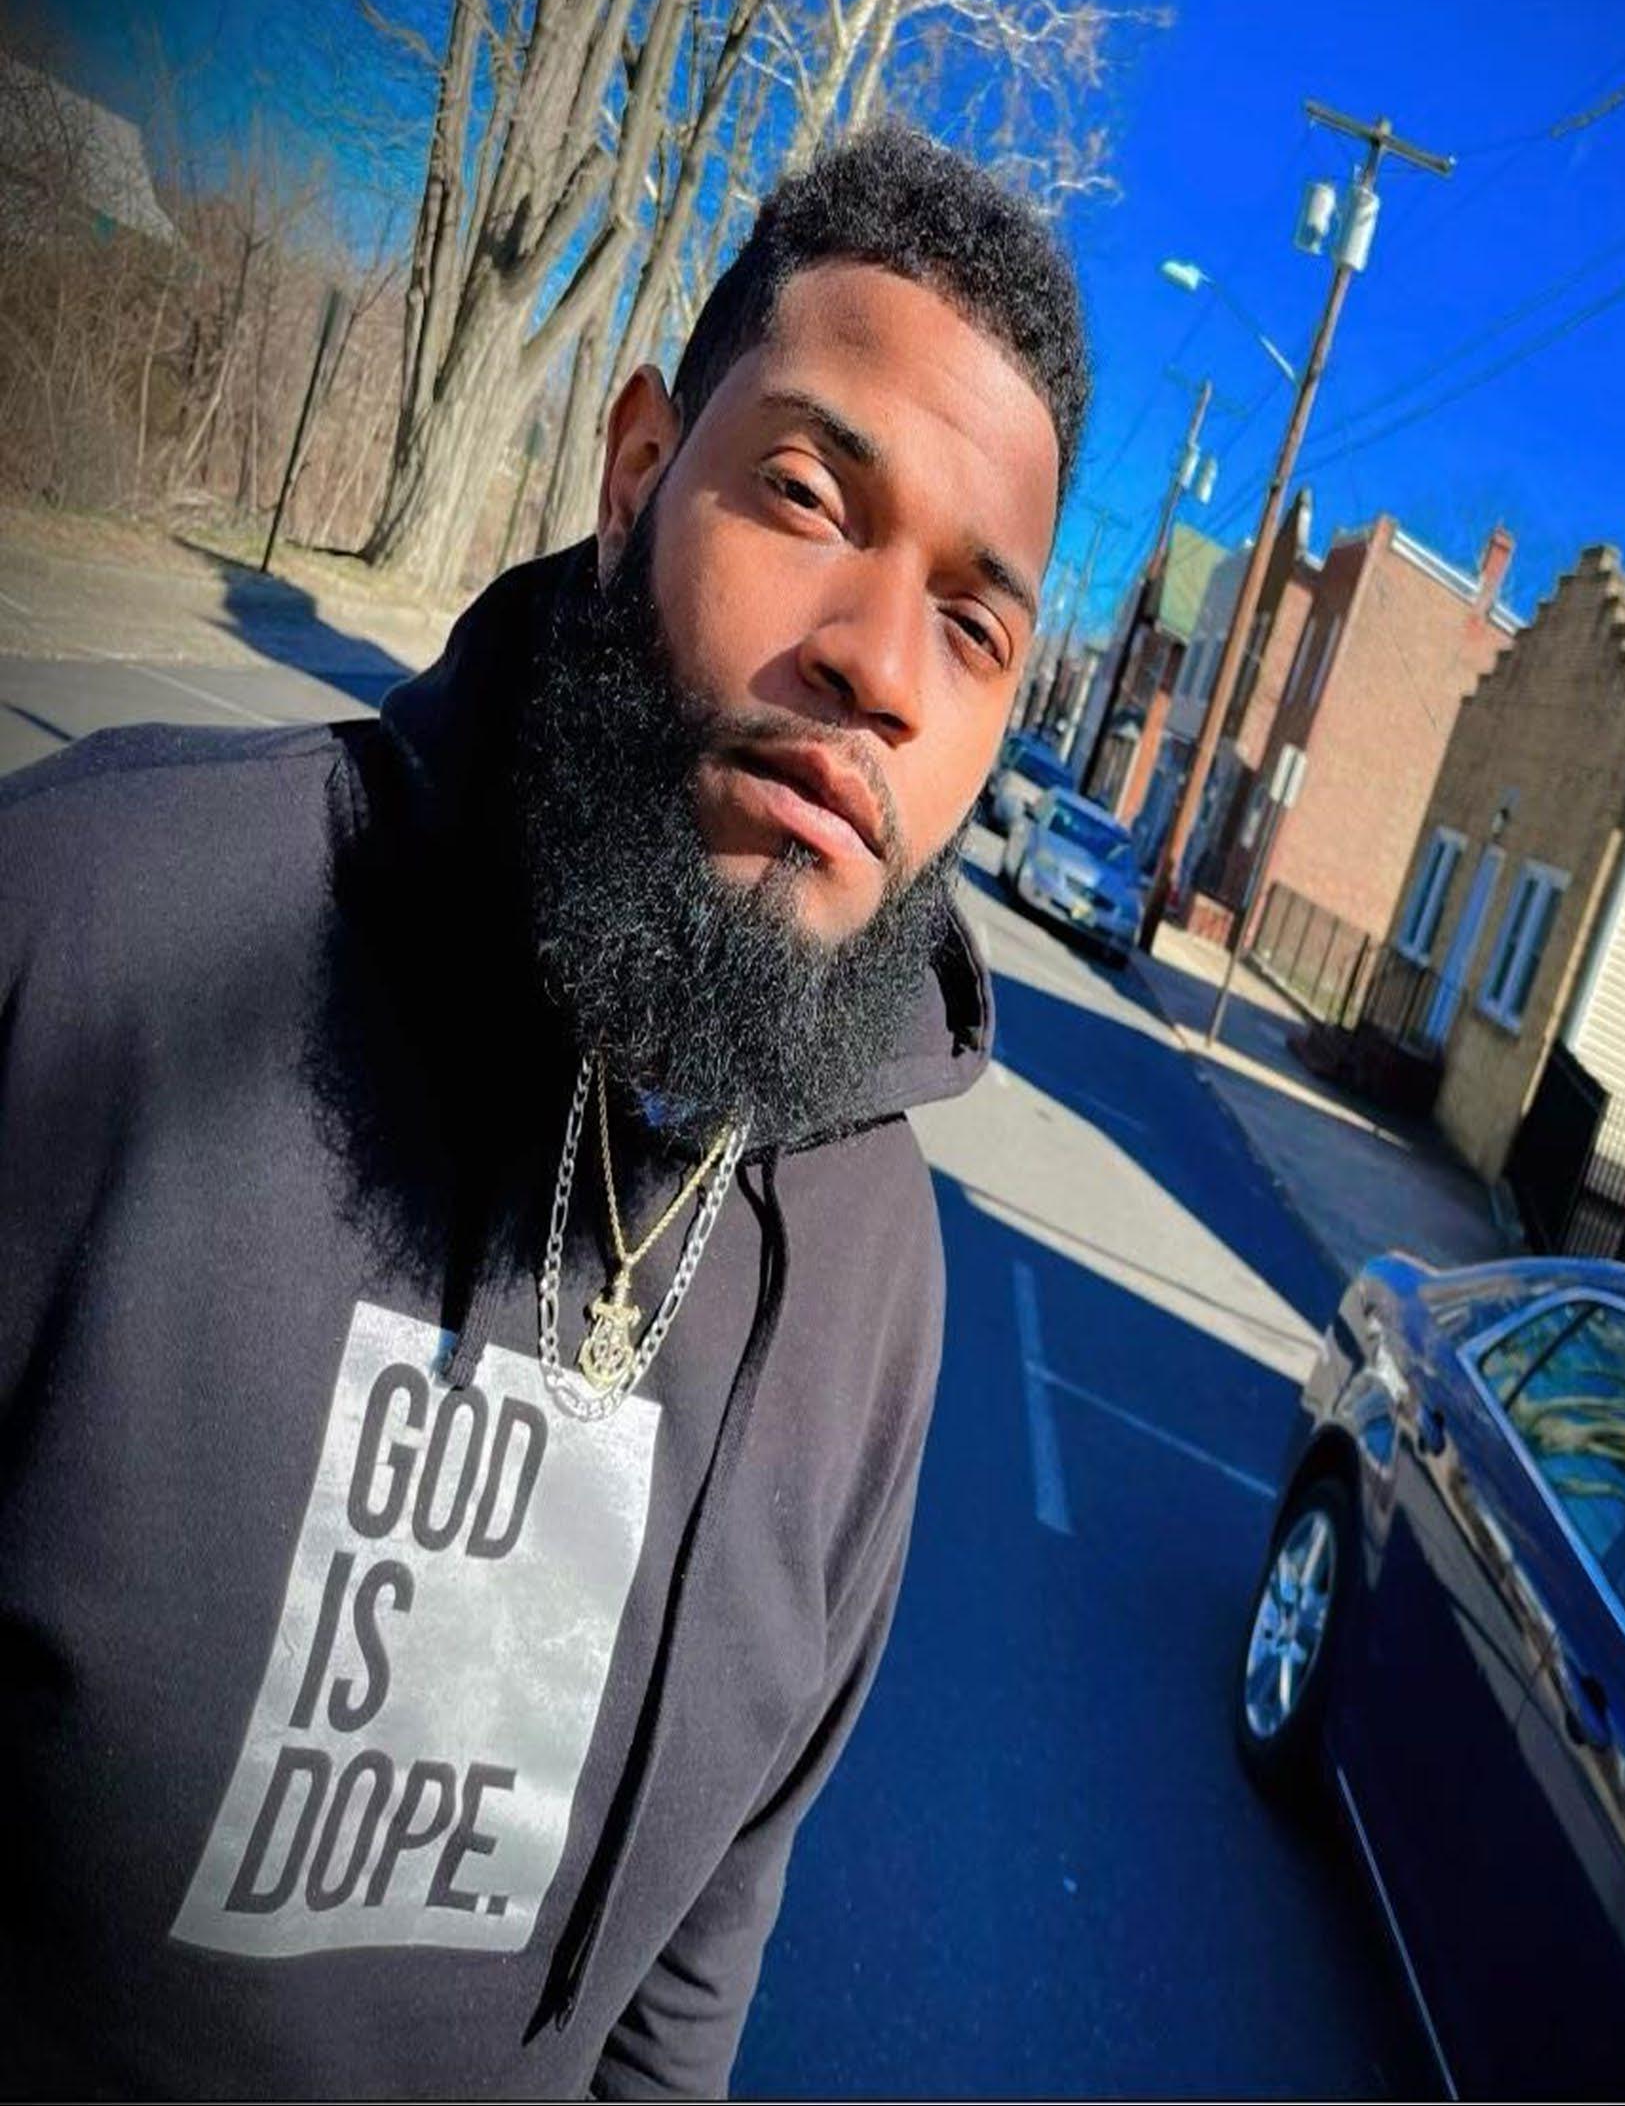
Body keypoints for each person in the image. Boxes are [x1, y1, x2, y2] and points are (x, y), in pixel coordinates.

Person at [0, 119, 1087, 2097]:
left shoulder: (876, 1287)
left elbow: (685, 1987)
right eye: (806, 495)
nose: (876, 666)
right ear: (635, 473)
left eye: (971, 625)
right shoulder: (91, 935)